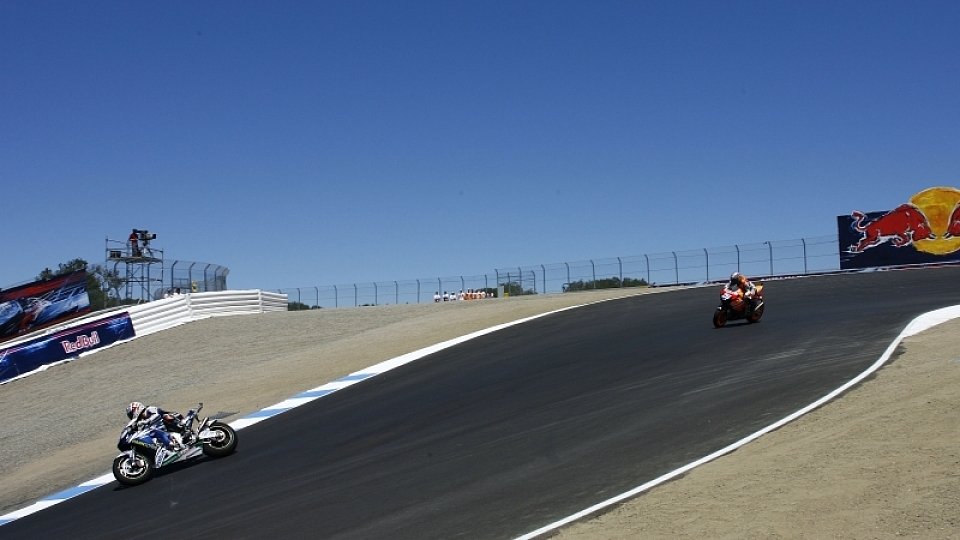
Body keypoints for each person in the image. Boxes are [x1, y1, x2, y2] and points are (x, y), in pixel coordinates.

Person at [126, 401, 188, 465]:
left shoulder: (149, 409)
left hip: (167, 426)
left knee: (166, 417)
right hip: (158, 432)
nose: (131, 416)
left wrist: (147, 421)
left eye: (131, 414)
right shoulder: (141, 420)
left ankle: (178, 442)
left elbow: (157, 414)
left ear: (136, 409)